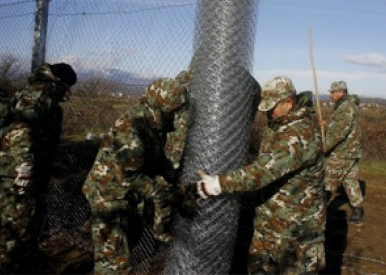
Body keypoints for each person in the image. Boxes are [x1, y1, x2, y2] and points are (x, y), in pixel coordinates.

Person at [195, 76, 325, 274]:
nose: (268, 113)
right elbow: (265, 162)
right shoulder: (281, 124)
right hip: (271, 224)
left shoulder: (299, 133)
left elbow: (263, 172)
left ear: (289, 103)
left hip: (295, 232)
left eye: (272, 107)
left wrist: (217, 184)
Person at [83, 77, 188, 274]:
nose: (178, 116)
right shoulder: (131, 127)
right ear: (164, 107)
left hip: (128, 196)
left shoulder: (154, 124)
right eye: (176, 110)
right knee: (114, 265)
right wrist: (160, 191)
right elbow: (129, 176)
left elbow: (156, 158)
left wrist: (172, 178)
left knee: (124, 246)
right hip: (109, 197)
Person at [0, 62, 76, 273]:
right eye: (69, 86)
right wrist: (24, 167)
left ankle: (19, 262)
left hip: (22, 169)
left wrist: (48, 162)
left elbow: (39, 135)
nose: (69, 92)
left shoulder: (39, 92)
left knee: (25, 223)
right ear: (60, 82)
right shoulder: (41, 95)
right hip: (17, 173)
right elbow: (20, 130)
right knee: (16, 225)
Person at [322, 80, 364, 224]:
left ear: (339, 92)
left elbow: (338, 133)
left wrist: (323, 147)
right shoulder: (350, 106)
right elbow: (340, 125)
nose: (330, 96)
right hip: (352, 152)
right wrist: (326, 124)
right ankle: (358, 212)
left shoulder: (345, 108)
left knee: (327, 181)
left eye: (332, 93)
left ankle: (318, 212)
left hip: (342, 153)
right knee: (350, 181)